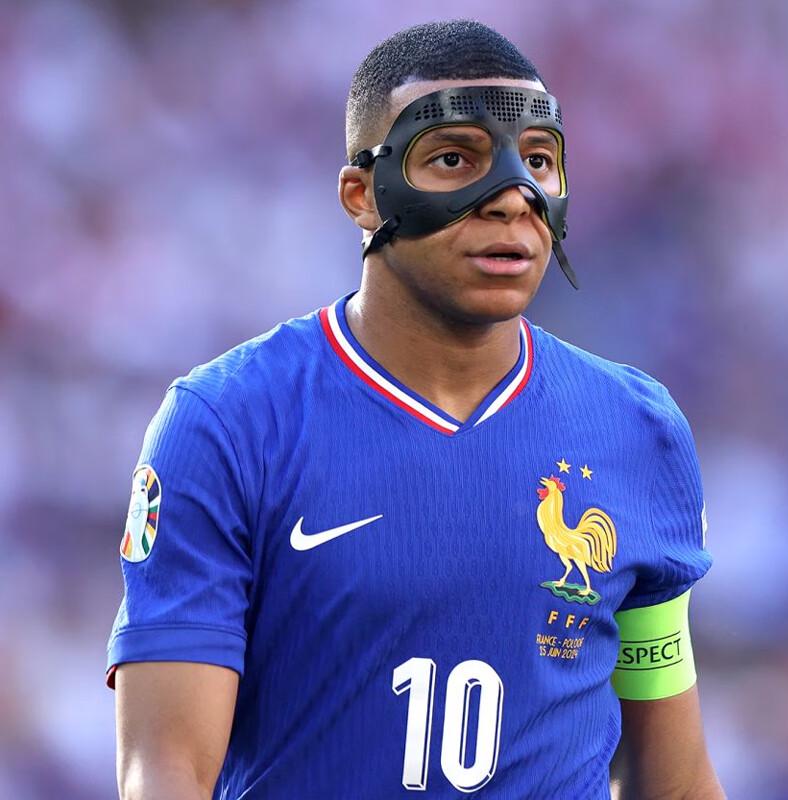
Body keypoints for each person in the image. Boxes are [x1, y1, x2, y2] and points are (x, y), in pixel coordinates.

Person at [108, 19, 725, 800]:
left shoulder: (640, 430)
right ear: (361, 196)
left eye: (538, 160)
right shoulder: (228, 424)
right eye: (454, 159)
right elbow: (166, 771)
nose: (512, 198)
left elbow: (672, 781)